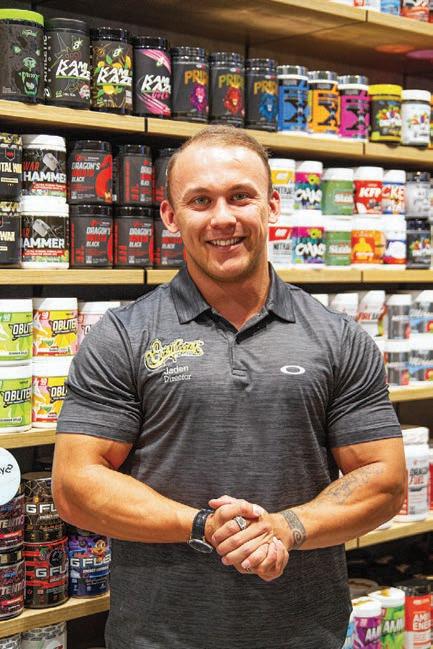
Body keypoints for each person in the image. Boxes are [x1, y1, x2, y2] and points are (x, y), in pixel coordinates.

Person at [53, 125, 406, 649]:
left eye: (241, 196)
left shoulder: (338, 337)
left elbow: (385, 480)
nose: (223, 218)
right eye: (200, 200)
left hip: (304, 637)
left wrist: (286, 528)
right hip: (157, 639)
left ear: (272, 206)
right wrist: (201, 525)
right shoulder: (122, 336)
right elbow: (74, 485)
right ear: (170, 216)